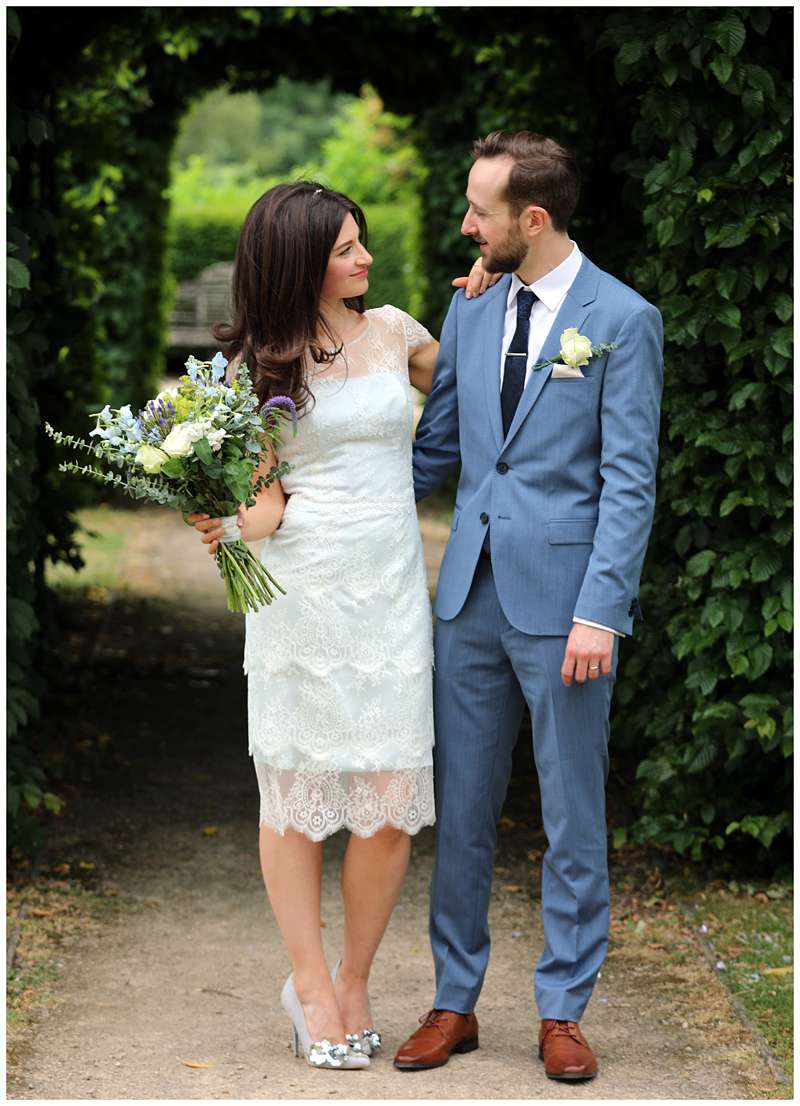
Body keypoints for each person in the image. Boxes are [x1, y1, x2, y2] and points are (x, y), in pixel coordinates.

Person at [188, 182, 490, 1071]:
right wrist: (220, 519)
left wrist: (486, 300)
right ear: (299, 263)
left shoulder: (397, 330)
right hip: (303, 597)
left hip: (392, 594)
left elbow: (487, 392)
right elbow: (268, 507)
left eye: (361, 243)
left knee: (390, 803)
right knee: (295, 799)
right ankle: (309, 986)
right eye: (346, 249)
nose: (365, 260)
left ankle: (356, 980)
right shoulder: (257, 367)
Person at [395, 131, 664, 1082]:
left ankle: (563, 1010)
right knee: (460, 808)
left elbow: (629, 482)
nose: (466, 226)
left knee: (573, 811)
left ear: (533, 218)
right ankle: (452, 1001)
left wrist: (603, 609)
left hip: (566, 608)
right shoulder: (470, 308)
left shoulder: (623, 320)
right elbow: (436, 454)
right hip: (466, 595)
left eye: (481, 211)